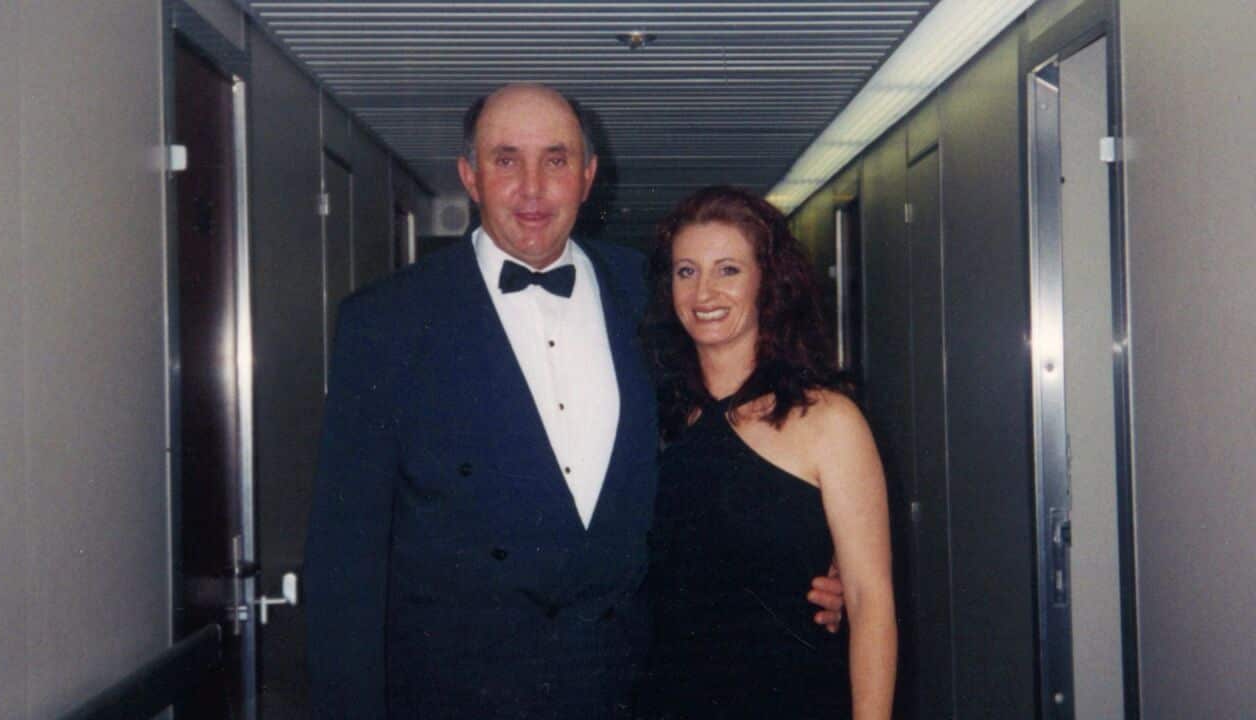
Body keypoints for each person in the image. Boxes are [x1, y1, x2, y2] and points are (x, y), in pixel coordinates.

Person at [303, 85, 845, 719]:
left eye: (556, 160)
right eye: (506, 160)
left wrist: (814, 549)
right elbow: (345, 556)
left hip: (632, 687)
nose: (532, 188)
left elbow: (742, 432)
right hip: (455, 696)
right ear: (469, 176)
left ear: (588, 177)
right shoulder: (386, 322)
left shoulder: (652, 294)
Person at [637, 186, 896, 719]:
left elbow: (871, 604)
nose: (704, 291)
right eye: (687, 271)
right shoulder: (651, 416)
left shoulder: (828, 421)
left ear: (767, 282)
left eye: (727, 269)